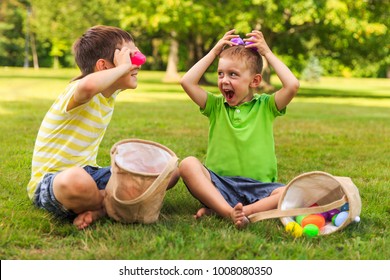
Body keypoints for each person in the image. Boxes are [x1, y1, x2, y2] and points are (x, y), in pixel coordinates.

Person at [27, 25, 179, 230]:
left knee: (168, 172)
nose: (138, 63)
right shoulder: (77, 91)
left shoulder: (109, 93)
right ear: (104, 67)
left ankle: (101, 207)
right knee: (75, 179)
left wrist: (123, 67)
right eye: (130, 58)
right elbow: (88, 86)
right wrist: (123, 68)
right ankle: (118, 203)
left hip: (90, 173)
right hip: (52, 182)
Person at [179, 29, 299, 229]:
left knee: (290, 191)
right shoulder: (215, 106)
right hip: (220, 186)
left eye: (233, 74)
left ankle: (241, 212)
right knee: (188, 164)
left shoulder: (267, 106)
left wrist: (267, 53)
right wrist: (214, 52)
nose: (224, 80)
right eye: (220, 74)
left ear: (255, 81)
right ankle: (227, 211)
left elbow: (292, 85)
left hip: (260, 188)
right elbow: (186, 81)